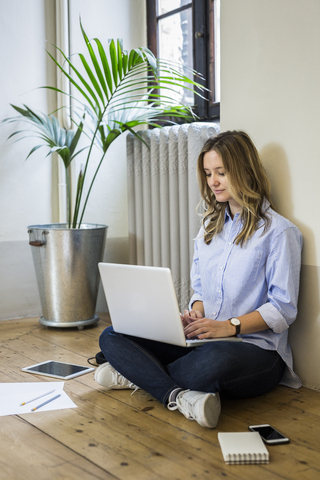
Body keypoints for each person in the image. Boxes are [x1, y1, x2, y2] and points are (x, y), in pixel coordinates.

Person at [95, 130, 303, 429]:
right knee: (113, 335)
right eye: (208, 173)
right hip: (204, 340)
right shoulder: (208, 228)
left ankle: (135, 374)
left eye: (221, 172)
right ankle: (178, 395)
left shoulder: (279, 232)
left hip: (256, 351)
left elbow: (283, 309)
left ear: (244, 171)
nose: (213, 181)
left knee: (210, 366)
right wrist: (197, 314)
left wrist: (228, 327)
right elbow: (200, 290)